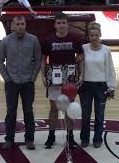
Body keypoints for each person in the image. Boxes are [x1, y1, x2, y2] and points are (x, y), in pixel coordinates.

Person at [0, 15, 41, 150]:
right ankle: (9, 139)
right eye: (18, 24)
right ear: (13, 26)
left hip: (28, 82)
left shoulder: (33, 40)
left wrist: (33, 77)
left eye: (22, 24)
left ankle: (29, 140)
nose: (20, 26)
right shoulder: (5, 41)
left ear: (25, 25)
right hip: (12, 83)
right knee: (11, 112)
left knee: (28, 111)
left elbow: (38, 60)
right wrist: (7, 78)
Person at [40, 13, 84, 149]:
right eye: (58, 23)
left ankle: (70, 137)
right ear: (55, 25)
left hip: (69, 80)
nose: (61, 25)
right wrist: (42, 75)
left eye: (63, 23)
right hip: (54, 79)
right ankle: (51, 136)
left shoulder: (74, 38)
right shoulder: (48, 40)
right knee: (54, 109)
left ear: (68, 24)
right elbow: (43, 58)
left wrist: (81, 74)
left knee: (69, 108)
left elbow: (80, 55)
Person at [78, 22, 116, 148]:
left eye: (96, 35)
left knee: (99, 115)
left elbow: (110, 68)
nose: (94, 37)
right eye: (91, 35)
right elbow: (79, 65)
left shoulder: (106, 50)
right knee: (85, 114)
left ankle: (98, 138)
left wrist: (111, 86)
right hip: (86, 86)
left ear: (100, 35)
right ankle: (84, 139)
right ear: (88, 36)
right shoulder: (83, 48)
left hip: (101, 86)